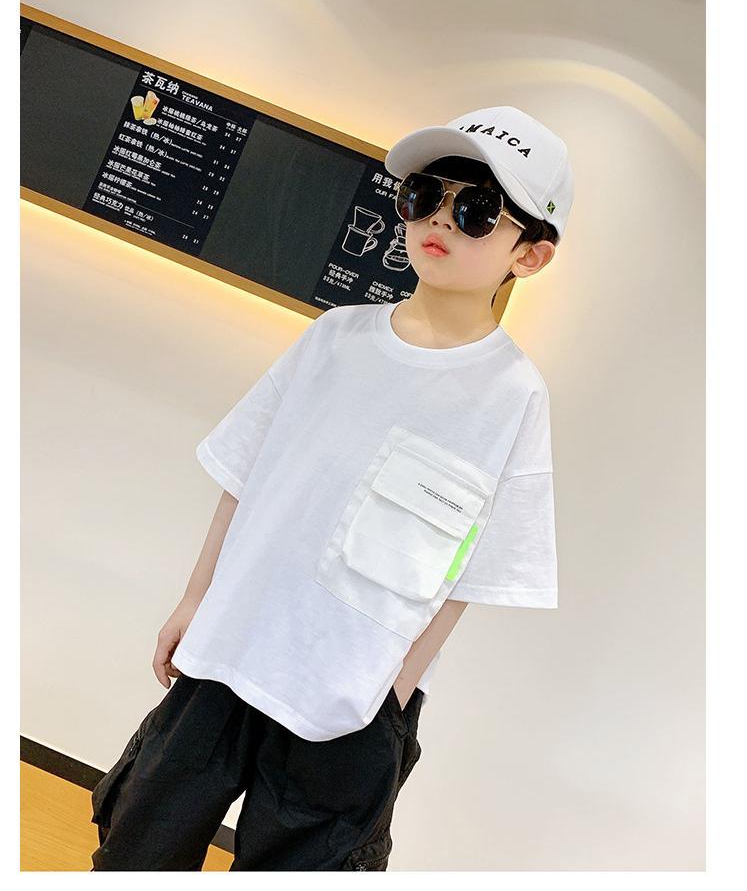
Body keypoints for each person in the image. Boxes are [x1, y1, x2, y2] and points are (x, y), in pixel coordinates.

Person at [90, 104, 574, 871]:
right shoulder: (335, 336)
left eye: (477, 210)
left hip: (354, 694)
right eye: (425, 195)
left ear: (530, 255)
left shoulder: (512, 396)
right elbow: (245, 474)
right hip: (231, 646)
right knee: (138, 846)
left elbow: (476, 569)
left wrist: (398, 689)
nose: (438, 220)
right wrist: (194, 599)